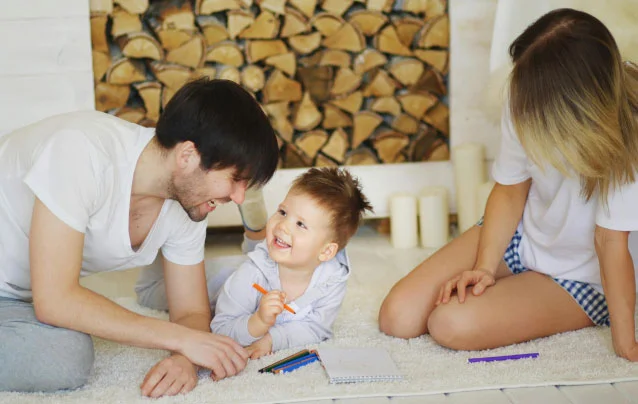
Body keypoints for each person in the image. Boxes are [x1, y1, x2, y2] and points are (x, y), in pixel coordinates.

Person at [378, 8, 638, 355]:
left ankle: (537, 294)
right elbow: (511, 188)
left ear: (576, 107)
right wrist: (484, 267)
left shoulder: (629, 133)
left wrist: (626, 345)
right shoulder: (526, 92)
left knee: (449, 324)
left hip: (586, 276)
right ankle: (515, 284)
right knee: (397, 317)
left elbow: (610, 243)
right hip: (524, 236)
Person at [0, 78, 280, 397]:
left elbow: (190, 311)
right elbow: (56, 301)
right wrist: (180, 339)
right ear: (187, 156)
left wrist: (185, 357)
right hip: (27, 296)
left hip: (17, 298)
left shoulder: (189, 201)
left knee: (65, 348)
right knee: (66, 359)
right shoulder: (80, 150)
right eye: (235, 179)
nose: (240, 198)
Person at [137, 167, 373, 359]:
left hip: (264, 260)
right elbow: (221, 328)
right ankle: (164, 237)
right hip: (218, 280)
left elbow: (317, 328)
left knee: (264, 252)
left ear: (327, 251)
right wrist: (257, 323)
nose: (283, 225)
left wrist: (271, 339)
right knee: (147, 294)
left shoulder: (332, 277)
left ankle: (254, 229)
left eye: (300, 224)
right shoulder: (251, 275)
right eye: (282, 212)